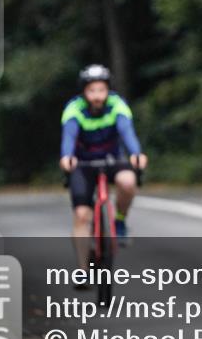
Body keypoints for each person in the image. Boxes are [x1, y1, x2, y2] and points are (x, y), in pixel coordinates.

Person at [59, 64, 147, 286]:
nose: (97, 96)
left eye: (101, 90)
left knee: (127, 182)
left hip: (112, 160)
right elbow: (68, 136)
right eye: (91, 90)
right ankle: (82, 270)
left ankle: (119, 221)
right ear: (84, 92)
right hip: (82, 164)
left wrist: (136, 153)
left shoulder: (117, 105)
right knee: (81, 215)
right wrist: (66, 156)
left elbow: (127, 132)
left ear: (108, 90)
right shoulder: (74, 109)